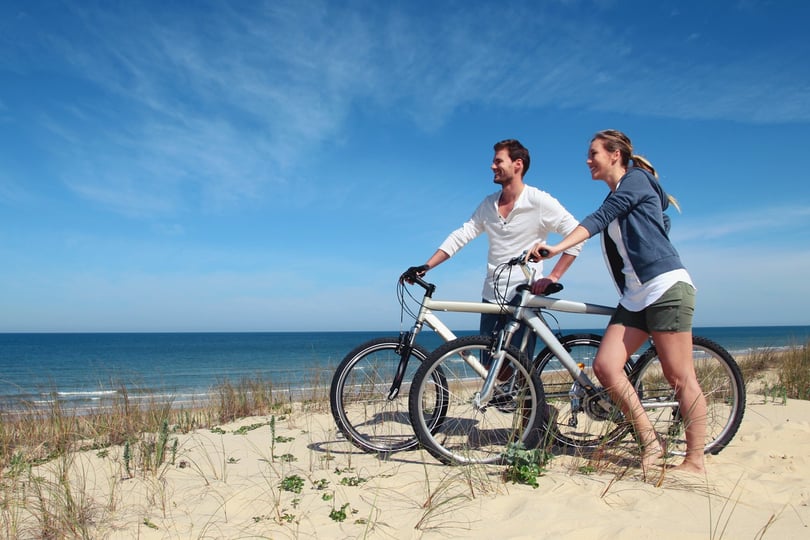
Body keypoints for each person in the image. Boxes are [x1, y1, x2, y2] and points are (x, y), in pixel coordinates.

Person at [529, 129, 706, 474]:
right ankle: (650, 441)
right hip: (636, 296)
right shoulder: (622, 193)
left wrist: (556, 248)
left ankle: (695, 460)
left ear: (615, 155)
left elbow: (599, 219)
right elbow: (658, 222)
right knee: (607, 366)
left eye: (593, 153)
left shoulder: (636, 180)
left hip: (665, 287)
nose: (587, 160)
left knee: (679, 376)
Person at [415, 139, 583, 361]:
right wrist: (427, 266)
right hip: (491, 296)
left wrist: (553, 276)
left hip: (524, 295)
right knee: (490, 369)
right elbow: (461, 236)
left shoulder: (538, 201)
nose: (492, 166)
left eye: (498, 161)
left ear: (517, 164)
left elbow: (577, 234)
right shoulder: (488, 204)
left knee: (520, 369)